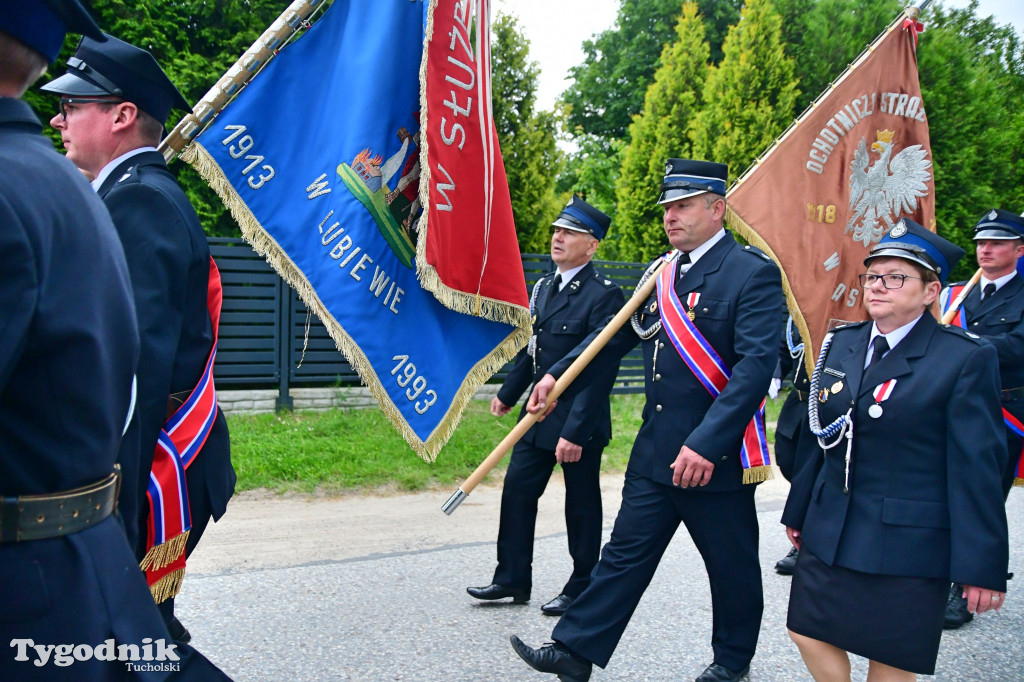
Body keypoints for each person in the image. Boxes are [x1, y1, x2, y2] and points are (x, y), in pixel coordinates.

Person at [510, 159, 783, 682]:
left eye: (683, 206)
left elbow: (753, 369)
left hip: (714, 455)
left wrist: (706, 444)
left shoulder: (752, 272)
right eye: (667, 208)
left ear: (716, 208)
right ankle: (573, 651)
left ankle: (731, 661)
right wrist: (557, 376)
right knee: (624, 556)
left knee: (731, 568)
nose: (671, 217)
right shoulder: (664, 272)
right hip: (658, 446)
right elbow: (613, 336)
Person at [0, 2, 175, 678]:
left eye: (76, 107)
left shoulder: (127, 197)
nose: (59, 119)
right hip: (74, 567)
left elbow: (150, 374)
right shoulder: (69, 188)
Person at [42, 34, 235, 644]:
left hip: (152, 473)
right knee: (135, 638)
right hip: (156, 466)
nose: (58, 117)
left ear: (122, 115)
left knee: (134, 640)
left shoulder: (139, 205)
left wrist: (114, 509)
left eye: (74, 106)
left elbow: (135, 375)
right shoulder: (130, 197)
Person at [782, 218, 1009, 680]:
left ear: (931, 292)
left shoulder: (963, 357)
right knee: (805, 630)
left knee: (889, 661)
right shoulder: (842, 343)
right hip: (834, 526)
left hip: (907, 541)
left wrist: (981, 565)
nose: (878, 286)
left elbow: (977, 468)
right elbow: (822, 439)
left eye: (897, 277)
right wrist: (799, 510)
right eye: (873, 276)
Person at [467, 197, 624, 616]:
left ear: (592, 246)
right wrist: (508, 392)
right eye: (557, 230)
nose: (558, 237)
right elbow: (532, 349)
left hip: (578, 418)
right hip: (537, 415)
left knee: (581, 503)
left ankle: (581, 585)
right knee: (518, 491)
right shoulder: (544, 287)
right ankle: (512, 577)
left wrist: (576, 431)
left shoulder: (605, 296)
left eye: (570, 232)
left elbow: (599, 368)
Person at [938, 207, 1024, 629]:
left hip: (1002, 412)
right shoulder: (956, 295)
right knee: (942, 492)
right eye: (981, 242)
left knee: (983, 498)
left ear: (1019, 249)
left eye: (998, 243)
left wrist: (962, 341)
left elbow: (1017, 348)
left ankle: (968, 585)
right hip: (951, 408)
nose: (985, 249)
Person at [772, 316, 811, 575]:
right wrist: (775, 372)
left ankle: (806, 541)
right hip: (799, 402)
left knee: (815, 475)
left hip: (832, 404)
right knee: (788, 461)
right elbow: (786, 346)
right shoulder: (804, 306)